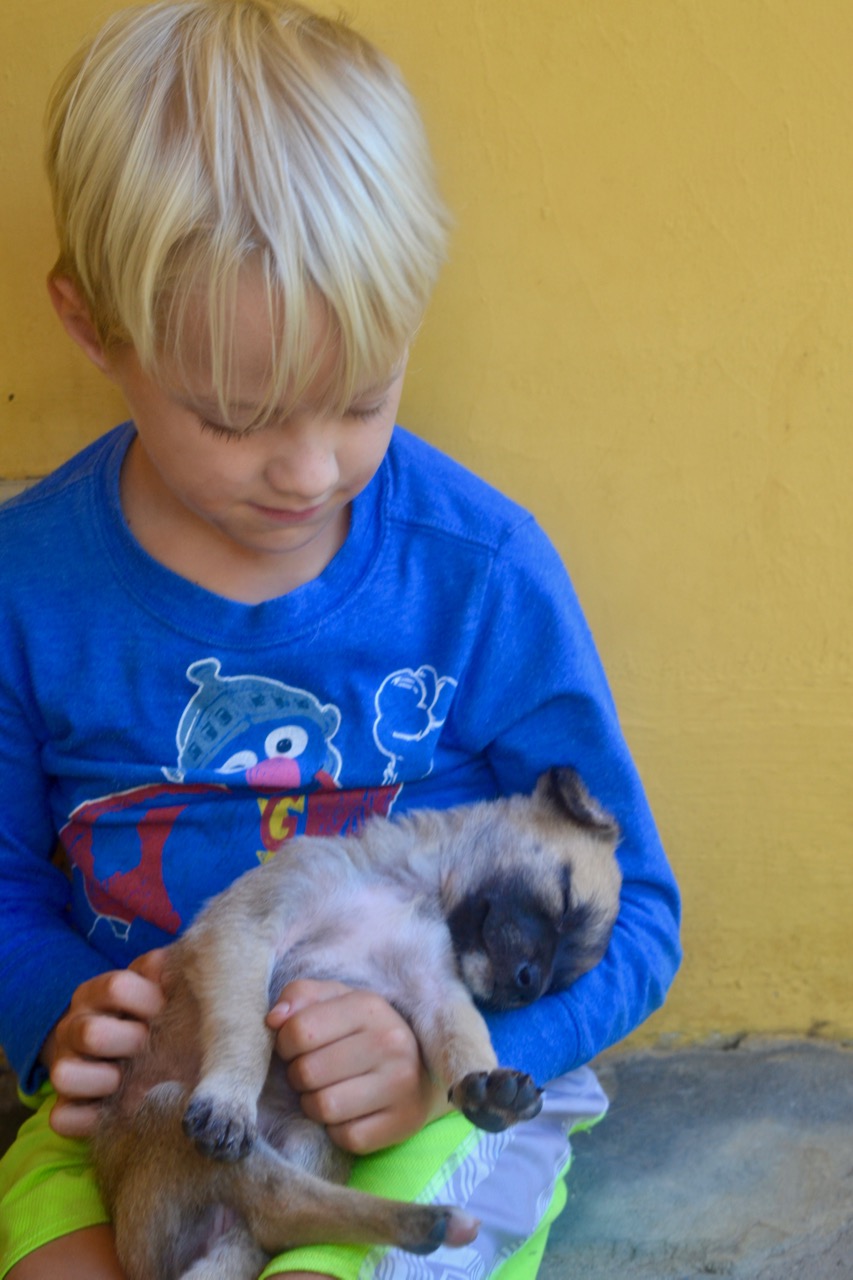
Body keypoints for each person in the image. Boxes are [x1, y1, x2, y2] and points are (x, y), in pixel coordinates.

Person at [0, 2, 681, 1277]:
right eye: (234, 413)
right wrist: (58, 1016)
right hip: (154, 1099)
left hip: (427, 1093)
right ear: (93, 328)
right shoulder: (24, 584)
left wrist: (452, 1059)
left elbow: (638, 904)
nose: (309, 469)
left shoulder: (479, 570)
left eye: (362, 398)